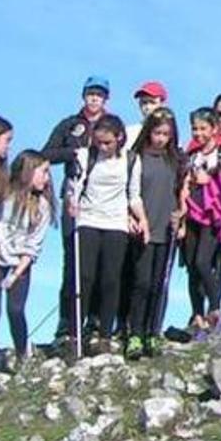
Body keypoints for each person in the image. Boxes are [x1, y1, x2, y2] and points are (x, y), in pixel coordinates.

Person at [42, 76, 123, 348]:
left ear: (106, 98)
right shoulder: (70, 125)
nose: (94, 98)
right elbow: (47, 153)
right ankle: (68, 324)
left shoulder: (112, 125)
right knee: (74, 262)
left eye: (100, 94)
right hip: (74, 195)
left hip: (106, 202)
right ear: (83, 96)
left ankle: (97, 322)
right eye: (90, 93)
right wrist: (75, 152)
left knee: (104, 267)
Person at [69, 117, 147, 355]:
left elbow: (133, 195)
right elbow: (75, 186)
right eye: (99, 142)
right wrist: (72, 203)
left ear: (119, 139)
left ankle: (104, 335)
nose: (102, 147)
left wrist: (141, 219)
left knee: (111, 279)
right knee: (85, 276)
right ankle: (75, 335)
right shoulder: (85, 156)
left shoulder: (131, 160)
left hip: (115, 222)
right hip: (89, 220)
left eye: (107, 143)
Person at [124, 109, 183, 358]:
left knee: (160, 284)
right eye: (157, 133)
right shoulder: (135, 158)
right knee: (142, 283)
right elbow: (128, 192)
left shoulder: (176, 160)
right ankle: (134, 333)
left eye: (166, 134)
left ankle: (153, 331)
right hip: (143, 228)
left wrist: (181, 216)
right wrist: (132, 217)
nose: (161, 138)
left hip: (166, 226)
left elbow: (182, 192)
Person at [182, 108, 221, 335]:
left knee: (202, 262)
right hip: (192, 214)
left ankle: (215, 307)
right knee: (191, 267)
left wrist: (211, 180)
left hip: (214, 217)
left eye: (203, 128)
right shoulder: (191, 156)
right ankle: (197, 314)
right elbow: (185, 184)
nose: (198, 133)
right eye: (195, 128)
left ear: (214, 129)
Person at [0, 150, 53, 371]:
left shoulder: (42, 206)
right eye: (43, 172)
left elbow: (33, 245)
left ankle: (21, 354)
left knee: (15, 309)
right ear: (28, 171)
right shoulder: (3, 195)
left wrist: (16, 273)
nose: (47, 178)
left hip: (19, 263)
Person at [124, 81, 168, 151]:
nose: (147, 107)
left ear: (162, 104)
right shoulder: (130, 133)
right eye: (144, 103)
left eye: (152, 102)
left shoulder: (169, 133)